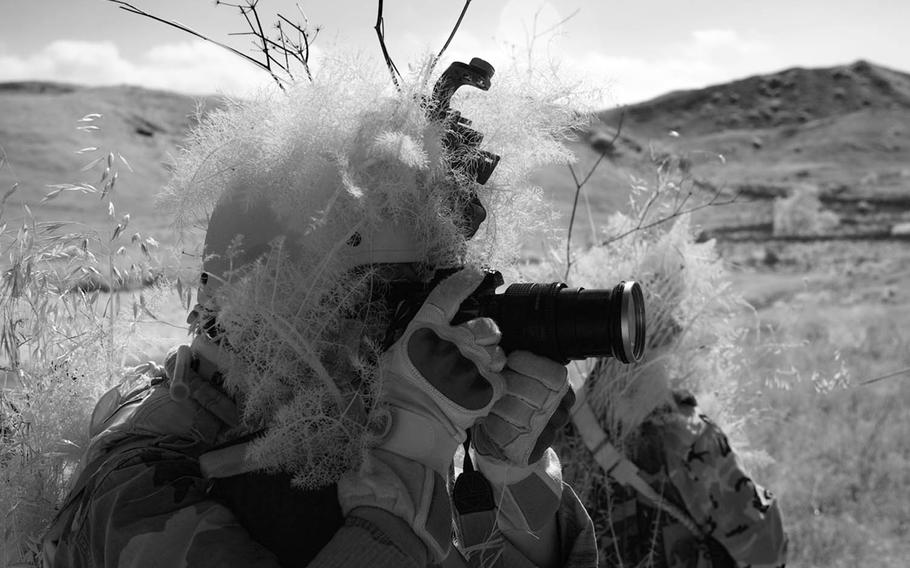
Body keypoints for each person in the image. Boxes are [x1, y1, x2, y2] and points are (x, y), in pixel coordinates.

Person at [41, 57, 597, 567]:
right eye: (384, 301)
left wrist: (506, 475)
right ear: (272, 301)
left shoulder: (366, 433)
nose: (405, 332)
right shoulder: (137, 492)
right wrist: (405, 473)